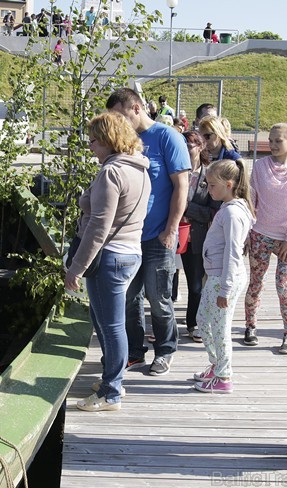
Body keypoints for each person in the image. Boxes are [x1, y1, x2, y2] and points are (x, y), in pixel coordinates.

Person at [65, 112, 150, 412]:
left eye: (93, 142)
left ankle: (111, 391)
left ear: (107, 141)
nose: (90, 148)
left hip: (110, 258)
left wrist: (76, 267)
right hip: (130, 253)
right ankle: (111, 379)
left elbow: (99, 226)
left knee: (111, 326)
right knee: (109, 324)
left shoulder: (111, 173)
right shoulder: (140, 169)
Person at [106, 88, 190, 376]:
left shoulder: (168, 138)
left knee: (159, 298)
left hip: (158, 236)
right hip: (127, 237)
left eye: (120, 115)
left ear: (137, 108)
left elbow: (181, 186)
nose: (117, 122)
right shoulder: (124, 141)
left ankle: (165, 350)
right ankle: (134, 351)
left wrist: (171, 229)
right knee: (128, 299)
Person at [243, 123, 287, 354]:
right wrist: (247, 232)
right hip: (261, 233)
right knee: (256, 282)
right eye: (270, 140)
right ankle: (250, 326)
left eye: (278, 141)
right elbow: (251, 200)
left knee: (284, 285)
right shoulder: (260, 167)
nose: (272, 145)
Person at [193, 159, 254, 394]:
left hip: (224, 279)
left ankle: (224, 376)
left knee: (220, 327)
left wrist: (225, 289)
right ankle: (217, 363)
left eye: (212, 185)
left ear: (229, 184)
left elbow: (233, 252)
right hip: (216, 276)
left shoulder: (233, 214)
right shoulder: (227, 209)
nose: (209, 190)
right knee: (204, 320)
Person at [180, 131, 222, 343]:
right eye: (184, 144)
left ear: (201, 147)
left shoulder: (208, 175)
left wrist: (187, 208)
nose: (188, 148)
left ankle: (193, 323)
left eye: (192, 144)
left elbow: (214, 211)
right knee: (164, 285)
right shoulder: (175, 171)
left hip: (196, 237)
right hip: (172, 235)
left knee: (195, 284)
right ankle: (165, 326)